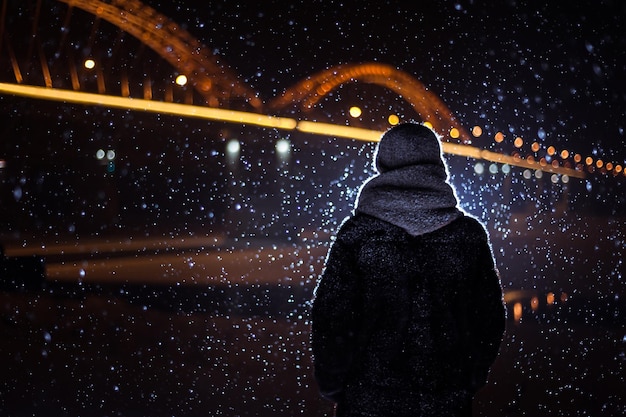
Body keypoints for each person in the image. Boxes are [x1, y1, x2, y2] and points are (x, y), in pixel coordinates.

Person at [311, 122, 506, 417]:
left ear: (383, 163)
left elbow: (331, 318)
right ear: (436, 163)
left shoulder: (358, 234)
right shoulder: (468, 234)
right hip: (445, 400)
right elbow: (488, 318)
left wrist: (335, 385)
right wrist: (468, 379)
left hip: (368, 402)